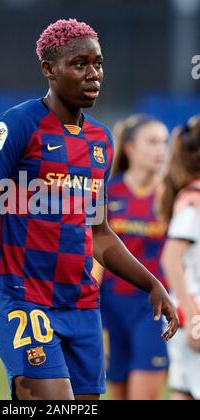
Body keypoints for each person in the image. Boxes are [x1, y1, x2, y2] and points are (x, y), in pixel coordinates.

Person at [0, 18, 178, 401]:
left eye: (99, 63)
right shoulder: (18, 126)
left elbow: (100, 235)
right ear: (49, 70)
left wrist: (150, 283)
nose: (93, 74)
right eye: (80, 64)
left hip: (82, 305)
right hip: (23, 298)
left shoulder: (101, 141)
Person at [100, 115, 170, 400]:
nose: (161, 150)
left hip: (152, 308)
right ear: (130, 148)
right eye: (152, 141)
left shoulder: (173, 196)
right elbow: (93, 249)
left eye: (165, 142)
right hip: (108, 307)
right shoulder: (105, 192)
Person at [160, 116, 200, 400]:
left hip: (188, 313)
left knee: (183, 391)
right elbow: (171, 259)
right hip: (193, 312)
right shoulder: (193, 201)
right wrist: (193, 318)